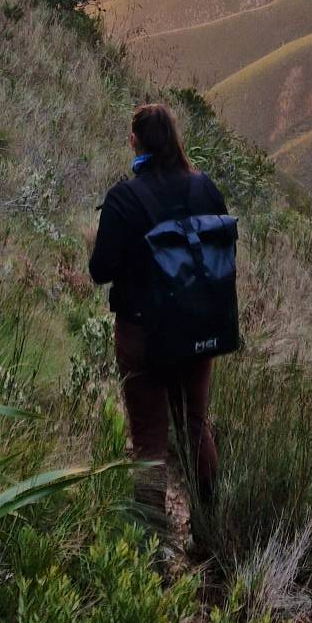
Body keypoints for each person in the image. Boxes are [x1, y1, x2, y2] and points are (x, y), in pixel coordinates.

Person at [89, 100, 227, 526]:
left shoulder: (124, 198)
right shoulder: (205, 187)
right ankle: (210, 526)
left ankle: (151, 550)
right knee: (195, 425)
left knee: (150, 440)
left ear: (135, 142)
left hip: (143, 334)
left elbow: (100, 271)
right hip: (200, 331)